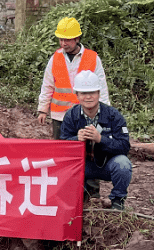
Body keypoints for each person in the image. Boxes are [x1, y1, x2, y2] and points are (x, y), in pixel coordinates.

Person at [59, 70, 132, 211]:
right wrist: (76, 140)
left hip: (107, 164)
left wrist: (101, 139)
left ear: (99, 93)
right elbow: (62, 148)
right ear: (77, 95)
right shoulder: (71, 116)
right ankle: (78, 199)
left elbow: (124, 146)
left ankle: (117, 201)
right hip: (82, 166)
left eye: (92, 92)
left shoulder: (113, 115)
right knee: (65, 168)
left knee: (123, 164)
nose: (88, 97)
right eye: (84, 93)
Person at [37, 17, 111, 139]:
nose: (63, 43)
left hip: (84, 114)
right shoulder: (55, 58)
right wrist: (43, 109)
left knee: (84, 148)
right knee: (60, 149)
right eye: (61, 39)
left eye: (67, 40)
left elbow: (101, 87)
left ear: (77, 39)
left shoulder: (92, 58)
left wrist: (105, 112)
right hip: (59, 116)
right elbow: (47, 85)